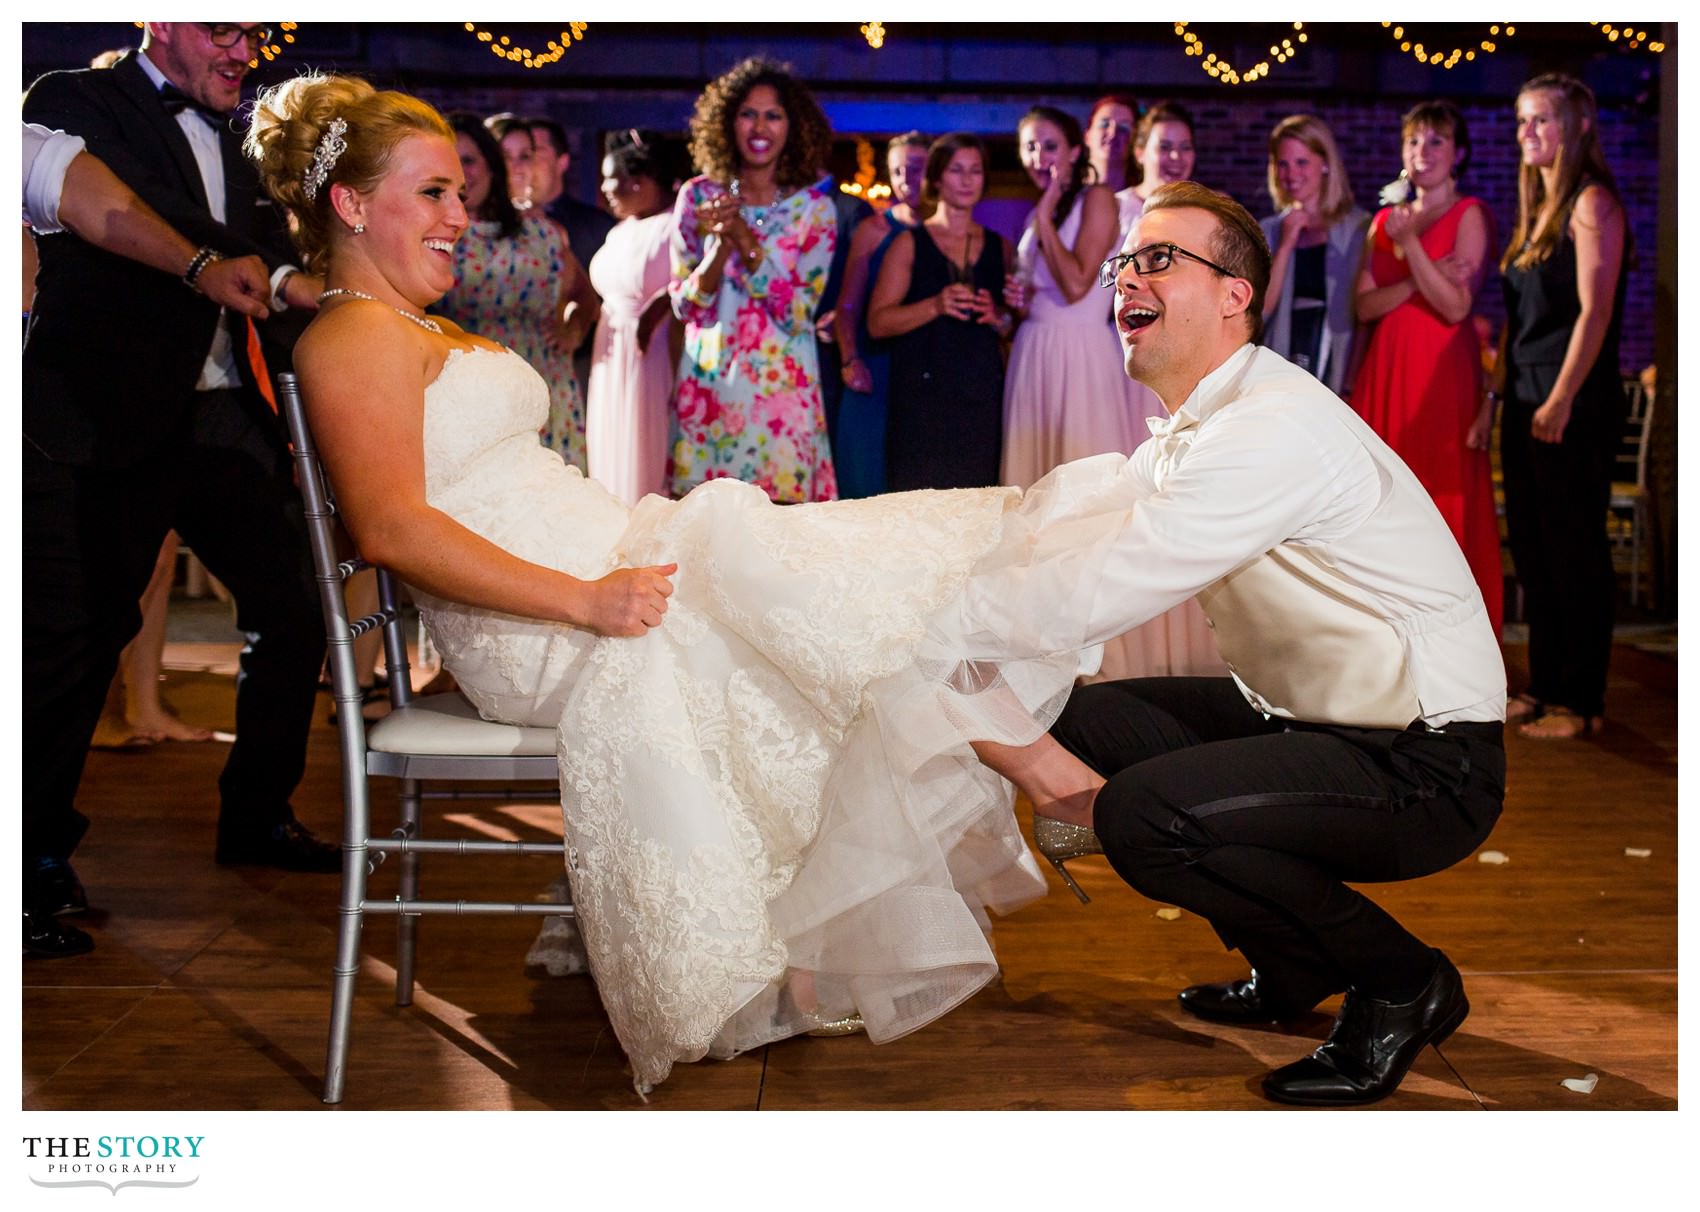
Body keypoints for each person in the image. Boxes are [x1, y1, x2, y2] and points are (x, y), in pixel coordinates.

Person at [250, 73, 1113, 1096]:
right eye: (432, 193)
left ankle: (1036, 783)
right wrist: (585, 599)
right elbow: (391, 529)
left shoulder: (406, 324)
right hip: (543, 617)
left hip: (596, 562)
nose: (458, 217)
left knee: (811, 583)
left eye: (454, 194)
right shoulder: (354, 336)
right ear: (350, 205)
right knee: (798, 583)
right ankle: (1059, 780)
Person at [962, 181, 1506, 1107]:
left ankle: (1404, 982)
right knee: (1088, 720)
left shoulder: (1271, 427)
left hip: (1426, 760)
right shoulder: (1202, 423)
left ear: (1234, 295)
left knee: (1141, 814)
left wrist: (942, 623)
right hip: (1309, 722)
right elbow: (1064, 535)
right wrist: (923, 566)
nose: (1128, 274)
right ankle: (1294, 965)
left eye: (1159, 258)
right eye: (1123, 261)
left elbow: (1100, 583)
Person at [23, 24, 337, 960]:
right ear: (157, 18)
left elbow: (269, 245)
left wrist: (301, 286)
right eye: (224, 27)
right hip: (104, 413)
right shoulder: (75, 99)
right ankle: (32, 860)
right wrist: (247, 267)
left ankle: (257, 813)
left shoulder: (244, 132)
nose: (244, 48)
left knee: (295, 604)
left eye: (256, 31)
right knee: (77, 637)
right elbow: (125, 208)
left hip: (218, 412)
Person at [1493, 73, 1629, 739]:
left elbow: (1594, 313)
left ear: (1576, 126)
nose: (1527, 134)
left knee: (1574, 549)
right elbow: (1523, 322)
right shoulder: (1535, 211)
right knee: (1536, 550)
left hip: (1568, 400)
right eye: (1522, 121)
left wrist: (1561, 397)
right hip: (1523, 399)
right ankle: (1544, 686)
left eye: (1540, 120)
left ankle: (1582, 701)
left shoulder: (1590, 202)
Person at [1350, 101, 1502, 638]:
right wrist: (1421, 276)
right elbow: (1365, 307)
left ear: (1459, 152)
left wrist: (1412, 246)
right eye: (1415, 141)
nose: (1423, 152)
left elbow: (1456, 307)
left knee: (1442, 498)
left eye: (1436, 141)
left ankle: (1452, 641)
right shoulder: (1383, 221)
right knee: (1383, 504)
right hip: (1387, 370)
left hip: (1440, 373)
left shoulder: (1470, 215)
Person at [667, 56, 839, 502]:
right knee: (709, 534)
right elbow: (686, 305)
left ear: (793, 127)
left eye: (773, 115)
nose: (759, 127)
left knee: (782, 536)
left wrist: (742, 234)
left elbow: (798, 313)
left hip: (780, 396)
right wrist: (721, 244)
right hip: (711, 385)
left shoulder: (814, 211)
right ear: (727, 122)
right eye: (748, 113)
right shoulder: (698, 196)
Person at [435, 113, 596, 469]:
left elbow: (586, 294)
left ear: (491, 166)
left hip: (545, 384)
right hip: (473, 393)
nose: (464, 174)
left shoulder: (540, 234)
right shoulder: (439, 237)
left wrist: (573, 330)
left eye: (470, 161)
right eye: (452, 162)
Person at [1000, 105, 1146, 488]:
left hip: (1079, 350)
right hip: (1034, 347)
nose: (1039, 157)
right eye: (1029, 147)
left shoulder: (1096, 199)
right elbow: (1040, 286)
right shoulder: (1040, 209)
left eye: (1050, 146)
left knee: (1082, 474)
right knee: (1033, 475)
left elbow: (1079, 283)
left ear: (1074, 152)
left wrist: (1045, 219)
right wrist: (1019, 298)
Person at [866, 132, 1012, 490]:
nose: (966, 180)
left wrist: (999, 317)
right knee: (918, 510)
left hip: (980, 397)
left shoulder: (1000, 246)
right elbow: (877, 323)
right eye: (955, 170)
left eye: (975, 170)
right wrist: (935, 304)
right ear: (935, 178)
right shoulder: (908, 243)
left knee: (978, 508)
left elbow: (1010, 327)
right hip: (921, 399)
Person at [831, 131, 929, 498]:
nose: (907, 180)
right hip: (876, 363)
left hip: (924, 366)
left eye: (917, 169)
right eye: (899, 171)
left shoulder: (947, 230)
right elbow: (848, 303)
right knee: (868, 480)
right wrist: (850, 358)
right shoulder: (874, 229)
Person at [584, 129, 679, 504]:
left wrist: (662, 305)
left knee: (646, 440)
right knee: (611, 439)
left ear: (639, 182)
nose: (605, 187)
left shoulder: (674, 226)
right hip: (609, 350)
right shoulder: (621, 230)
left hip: (652, 352)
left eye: (612, 178)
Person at [1259, 114, 1370, 396]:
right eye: (1283, 164)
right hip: (1281, 367)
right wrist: (1285, 246)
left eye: (1301, 162)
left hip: (1337, 365)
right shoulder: (1269, 230)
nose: (1291, 173)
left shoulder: (1359, 228)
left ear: (1324, 164)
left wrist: (1352, 381)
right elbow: (1260, 311)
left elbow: (1365, 315)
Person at [1085, 94, 1141, 233]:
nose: (1113, 132)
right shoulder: (1067, 193)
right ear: (1087, 136)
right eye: (1104, 124)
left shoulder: (1141, 204)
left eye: (1124, 128)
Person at [1131, 100, 1197, 203]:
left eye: (1185, 147)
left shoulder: (1209, 210)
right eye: (1164, 147)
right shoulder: (1115, 208)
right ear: (1140, 153)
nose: (1176, 156)